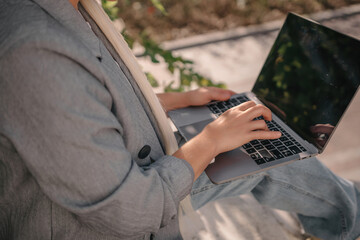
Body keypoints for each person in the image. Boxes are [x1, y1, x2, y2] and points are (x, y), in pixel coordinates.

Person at [0, 0, 359, 239]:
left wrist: (176, 102)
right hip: (103, 219)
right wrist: (213, 140)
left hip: (121, 173)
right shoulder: (36, 49)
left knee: (262, 141)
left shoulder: (64, 8)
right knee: (260, 150)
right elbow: (131, 211)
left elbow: (81, 106)